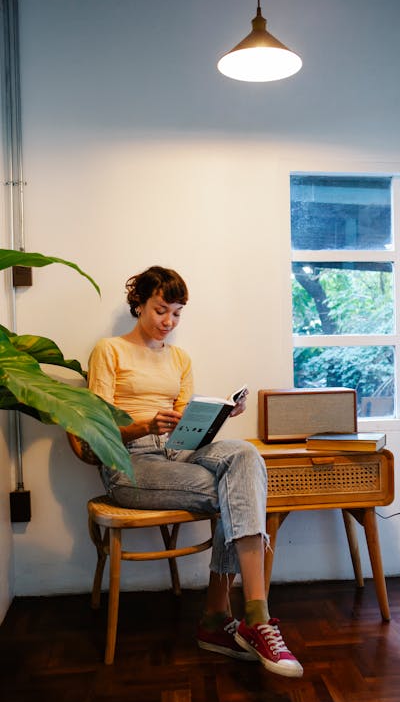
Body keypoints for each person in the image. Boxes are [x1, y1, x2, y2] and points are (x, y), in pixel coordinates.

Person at [87, 265, 303, 678]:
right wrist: (147, 424)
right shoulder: (109, 351)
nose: (168, 321)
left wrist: (219, 416)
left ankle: (249, 615)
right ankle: (229, 618)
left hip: (178, 452)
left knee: (243, 456)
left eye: (177, 314)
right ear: (139, 304)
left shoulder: (180, 359)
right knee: (235, 492)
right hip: (128, 460)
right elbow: (95, 428)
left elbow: (189, 432)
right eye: (160, 310)